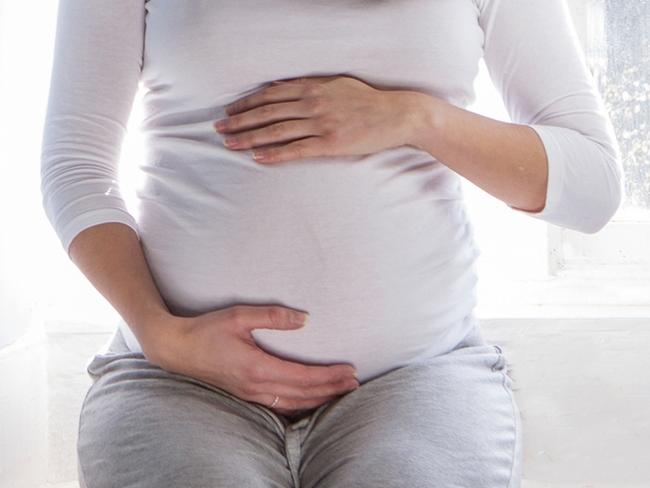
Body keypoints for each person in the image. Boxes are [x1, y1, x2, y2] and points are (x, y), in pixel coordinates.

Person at [40, 1, 624, 487]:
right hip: (177, 380)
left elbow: (591, 187)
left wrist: (416, 118)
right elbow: (76, 168)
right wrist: (159, 333)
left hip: (416, 378)